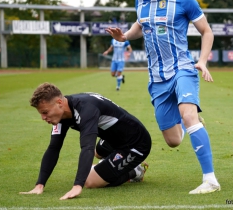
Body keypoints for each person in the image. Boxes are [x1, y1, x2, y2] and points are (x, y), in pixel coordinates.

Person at [105, 0, 220, 194]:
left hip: (182, 69)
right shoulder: (141, 1)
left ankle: (210, 180)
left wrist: (202, 61)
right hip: (157, 78)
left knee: (188, 116)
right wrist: (124, 36)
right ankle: (190, 121)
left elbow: (206, 31)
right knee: (174, 140)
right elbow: (140, 24)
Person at [19, 82, 151, 200]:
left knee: (90, 181)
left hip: (136, 143)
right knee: (97, 153)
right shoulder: (62, 112)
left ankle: (135, 171)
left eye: (45, 112)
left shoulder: (86, 109)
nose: (43, 117)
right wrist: (40, 184)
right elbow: (54, 147)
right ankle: (114, 163)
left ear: (59, 103)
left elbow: (87, 146)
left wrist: (78, 185)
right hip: (112, 139)